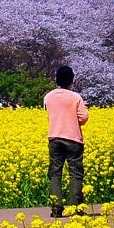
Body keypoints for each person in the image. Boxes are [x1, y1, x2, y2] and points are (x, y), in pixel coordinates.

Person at [44, 65, 89, 217]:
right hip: (73, 139)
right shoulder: (76, 97)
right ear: (72, 80)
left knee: (55, 173)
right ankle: (77, 208)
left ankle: (56, 209)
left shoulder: (48, 96)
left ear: (55, 78)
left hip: (54, 137)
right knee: (75, 173)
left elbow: (49, 112)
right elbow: (83, 118)